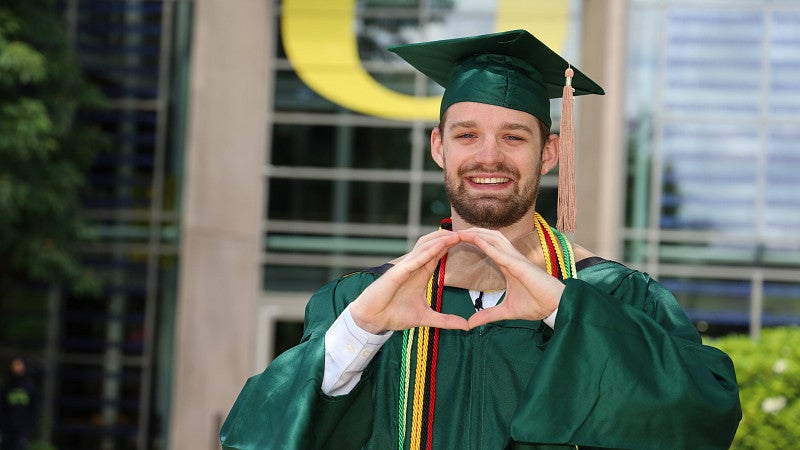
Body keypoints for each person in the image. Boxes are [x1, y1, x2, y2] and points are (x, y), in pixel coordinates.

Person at [220, 29, 741, 449]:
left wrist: (568, 311)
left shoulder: (616, 295)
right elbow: (252, 435)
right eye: (466, 135)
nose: (488, 157)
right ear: (439, 148)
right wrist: (360, 334)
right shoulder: (363, 302)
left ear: (548, 153)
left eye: (514, 137)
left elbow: (704, 419)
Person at [0, 356, 39, 450]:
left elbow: (34, 410)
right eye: (14, 365)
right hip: (7, 430)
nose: (16, 367)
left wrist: (29, 430)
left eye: (19, 364)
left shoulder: (30, 387)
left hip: (22, 431)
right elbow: (3, 409)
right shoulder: (7, 387)